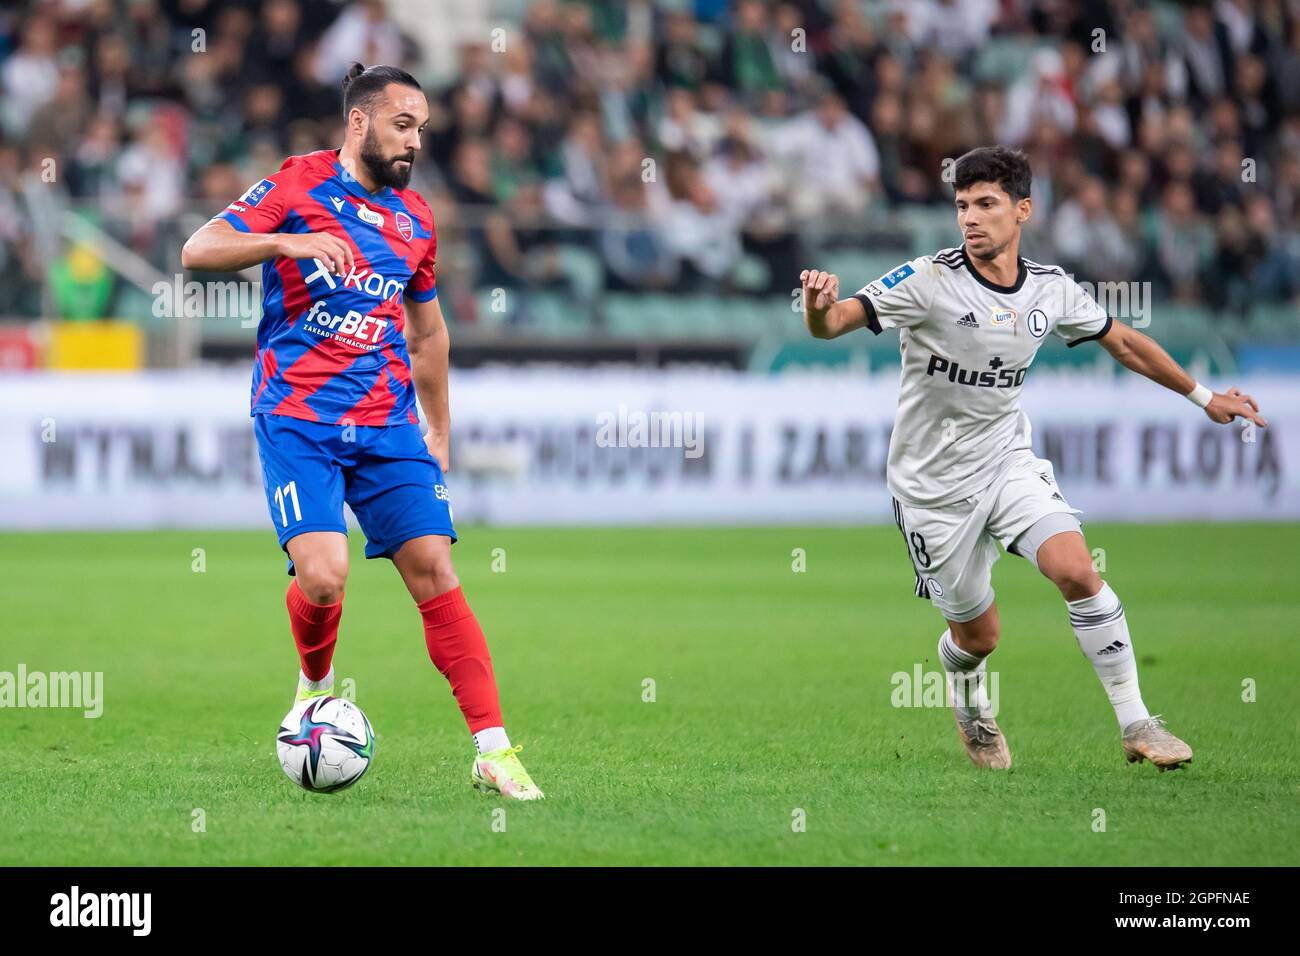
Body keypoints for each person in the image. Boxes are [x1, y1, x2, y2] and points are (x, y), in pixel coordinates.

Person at [798, 146, 1266, 771]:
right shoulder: (927, 280)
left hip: (1006, 462)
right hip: (930, 490)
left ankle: (1136, 723)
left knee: (1076, 569)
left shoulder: (1050, 289)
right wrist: (815, 305)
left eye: (986, 204)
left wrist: (1205, 397)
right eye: (962, 205)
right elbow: (833, 325)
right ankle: (969, 703)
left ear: (1023, 210)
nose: (970, 217)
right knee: (978, 638)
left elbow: (1123, 342)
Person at [181, 63, 543, 800]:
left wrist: (437, 428)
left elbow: (430, 332)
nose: (415, 141)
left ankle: (494, 752)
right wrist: (287, 245)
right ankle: (313, 686)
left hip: (387, 424)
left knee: (436, 570)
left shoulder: (418, 220)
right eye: (402, 125)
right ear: (359, 122)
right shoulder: (296, 185)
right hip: (297, 418)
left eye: (422, 129)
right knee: (323, 576)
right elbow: (197, 251)